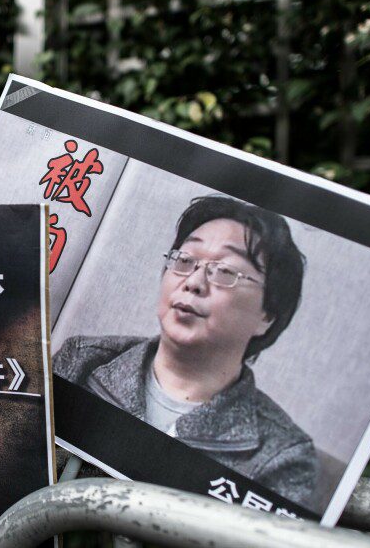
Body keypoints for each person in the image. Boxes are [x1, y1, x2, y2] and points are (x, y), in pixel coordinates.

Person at [54, 195, 318, 507]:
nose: (193, 281)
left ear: (266, 315)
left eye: (225, 271)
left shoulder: (282, 454)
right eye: (184, 260)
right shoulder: (83, 359)